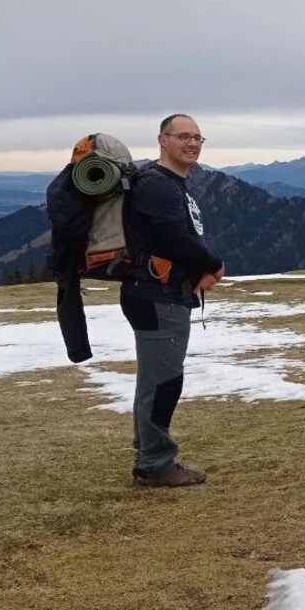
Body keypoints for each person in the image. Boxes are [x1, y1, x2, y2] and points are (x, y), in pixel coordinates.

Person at [123, 113, 224, 488]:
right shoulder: (158, 185)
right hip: (156, 296)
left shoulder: (169, 185)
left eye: (198, 137)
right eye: (183, 136)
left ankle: (149, 453)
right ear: (162, 140)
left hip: (161, 294)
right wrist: (214, 264)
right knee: (164, 382)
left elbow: (176, 242)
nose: (192, 143)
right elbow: (173, 240)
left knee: (156, 379)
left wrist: (198, 271)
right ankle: (154, 463)